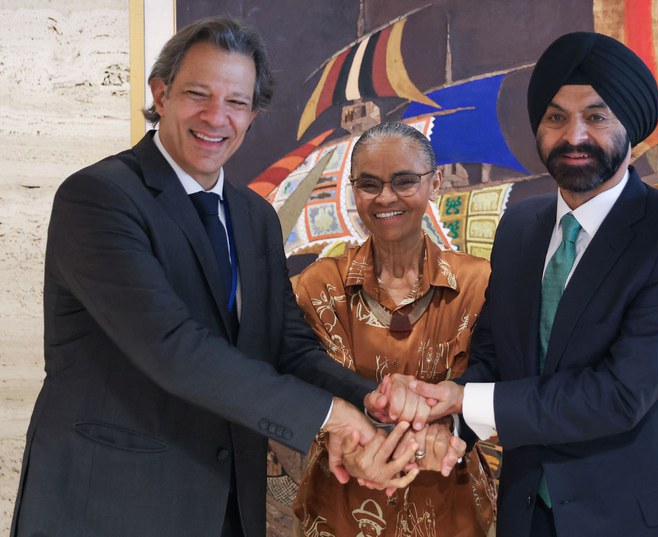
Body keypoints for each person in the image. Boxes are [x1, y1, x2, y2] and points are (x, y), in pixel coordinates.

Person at [10, 17, 417, 537]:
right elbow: (172, 347)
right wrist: (328, 417)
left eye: (236, 102)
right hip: (108, 507)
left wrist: (369, 400)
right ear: (160, 95)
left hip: (227, 507)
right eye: (197, 94)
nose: (215, 117)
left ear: (253, 114)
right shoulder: (98, 199)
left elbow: (286, 347)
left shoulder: (254, 217)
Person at [399, 32, 658, 536]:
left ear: (630, 126)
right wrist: (447, 418)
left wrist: (464, 403)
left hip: (640, 520)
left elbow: (620, 394)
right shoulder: (519, 228)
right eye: (555, 117)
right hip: (531, 517)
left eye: (596, 116)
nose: (573, 136)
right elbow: (494, 357)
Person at [292, 122, 497, 536]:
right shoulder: (316, 287)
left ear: (435, 182)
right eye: (369, 184)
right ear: (353, 191)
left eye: (404, 181)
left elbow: (500, 383)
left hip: (449, 511)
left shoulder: (481, 284)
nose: (386, 197)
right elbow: (288, 382)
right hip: (338, 511)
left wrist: (451, 431)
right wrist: (347, 437)